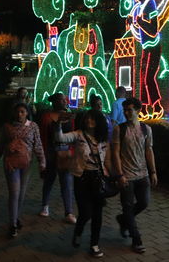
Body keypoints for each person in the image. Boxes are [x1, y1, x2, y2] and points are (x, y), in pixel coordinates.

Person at [53, 109, 112, 258]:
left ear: (98, 121)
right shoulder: (78, 134)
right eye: (87, 119)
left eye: (92, 119)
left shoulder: (103, 139)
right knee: (86, 212)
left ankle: (94, 244)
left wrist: (114, 174)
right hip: (82, 177)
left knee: (98, 213)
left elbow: (107, 160)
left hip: (97, 178)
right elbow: (60, 138)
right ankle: (78, 230)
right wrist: (59, 123)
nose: (88, 121)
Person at [0, 103, 46, 238]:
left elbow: (38, 145)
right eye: (17, 112)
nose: (19, 114)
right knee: (14, 193)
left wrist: (42, 163)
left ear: (27, 113)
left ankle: (16, 217)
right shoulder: (7, 127)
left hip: (26, 164)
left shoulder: (33, 127)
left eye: (22, 112)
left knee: (21, 194)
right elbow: (0, 146)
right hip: (10, 164)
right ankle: (13, 224)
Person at [112, 97, 158, 253]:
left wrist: (153, 171)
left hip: (143, 173)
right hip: (127, 175)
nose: (126, 113)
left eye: (129, 110)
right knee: (128, 206)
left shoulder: (146, 129)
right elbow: (115, 153)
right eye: (124, 110)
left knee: (144, 203)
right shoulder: (120, 129)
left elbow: (149, 150)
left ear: (138, 111)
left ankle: (123, 219)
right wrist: (119, 174)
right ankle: (136, 239)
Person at [38, 93, 76, 223]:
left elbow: (73, 134)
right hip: (51, 151)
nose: (64, 101)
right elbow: (42, 136)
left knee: (66, 181)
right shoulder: (47, 117)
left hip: (65, 151)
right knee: (49, 179)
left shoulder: (69, 116)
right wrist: (41, 157)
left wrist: (72, 150)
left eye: (65, 99)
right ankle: (45, 205)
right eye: (61, 99)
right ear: (54, 102)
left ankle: (69, 212)